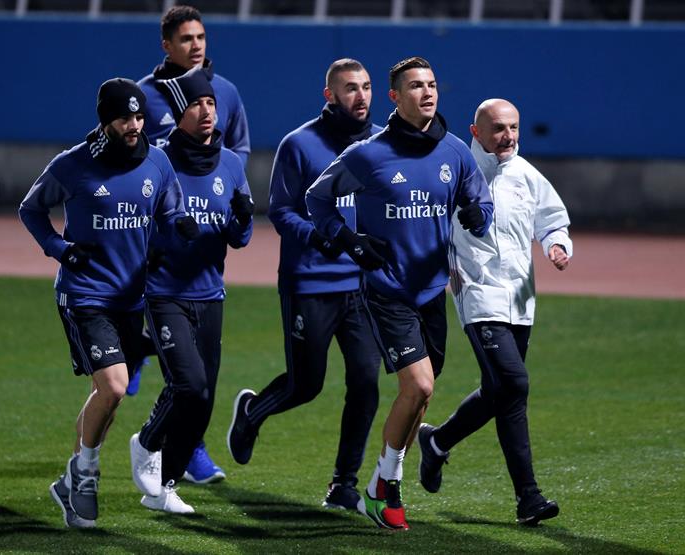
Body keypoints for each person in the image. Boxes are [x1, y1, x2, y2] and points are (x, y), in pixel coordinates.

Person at [305, 56, 494, 530]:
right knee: (420, 385)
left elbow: (481, 200)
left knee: (422, 397)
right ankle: (384, 487)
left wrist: (479, 216)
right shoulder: (368, 155)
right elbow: (316, 198)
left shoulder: (454, 151)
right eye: (415, 86)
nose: (427, 93)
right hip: (387, 291)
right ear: (395, 97)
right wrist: (347, 239)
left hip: (432, 292)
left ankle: (380, 485)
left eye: (432, 85)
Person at [19, 78, 196, 528]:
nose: (135, 125)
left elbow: (169, 210)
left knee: (108, 396)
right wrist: (60, 249)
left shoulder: (157, 162)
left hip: (131, 298)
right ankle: (86, 475)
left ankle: (72, 476)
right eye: (125, 118)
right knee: (115, 386)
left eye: (139, 117)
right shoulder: (73, 166)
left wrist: (180, 227)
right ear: (105, 121)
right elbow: (31, 210)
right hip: (84, 295)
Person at [226, 59, 382, 511]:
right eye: (350, 88)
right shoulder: (299, 144)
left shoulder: (378, 145)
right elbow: (280, 210)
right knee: (306, 384)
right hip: (310, 283)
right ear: (329, 94)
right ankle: (252, 413)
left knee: (366, 383)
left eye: (367, 87)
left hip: (363, 288)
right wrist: (319, 236)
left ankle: (343, 485)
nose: (361, 96)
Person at [418, 98, 570, 526]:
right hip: (479, 295)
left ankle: (437, 442)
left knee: (499, 390)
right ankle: (529, 497)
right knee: (514, 384)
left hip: (521, 299)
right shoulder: (455, 172)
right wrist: (447, 270)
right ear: (476, 131)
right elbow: (428, 224)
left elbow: (553, 219)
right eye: (499, 128)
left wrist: (557, 243)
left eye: (514, 127)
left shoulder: (526, 176)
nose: (509, 136)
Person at [128, 67, 253, 514]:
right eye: (196, 104)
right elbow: (135, 221)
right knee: (190, 385)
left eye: (211, 104)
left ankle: (164, 486)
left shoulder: (232, 164)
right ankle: (146, 444)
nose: (206, 111)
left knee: (202, 400)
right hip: (163, 292)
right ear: (179, 113)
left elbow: (242, 238)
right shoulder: (157, 160)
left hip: (210, 294)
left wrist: (241, 216)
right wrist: (167, 229)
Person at [138, 4, 250, 165]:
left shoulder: (227, 91)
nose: (197, 45)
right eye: (187, 39)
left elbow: (240, 147)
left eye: (201, 37)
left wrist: (229, 181)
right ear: (167, 46)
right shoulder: (142, 94)